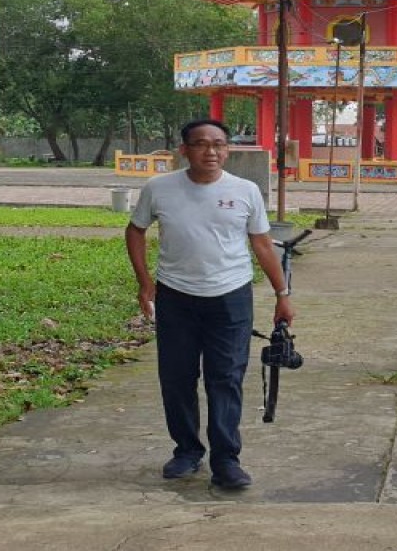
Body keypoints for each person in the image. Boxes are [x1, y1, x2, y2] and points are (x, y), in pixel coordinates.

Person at [125, 119, 295, 490]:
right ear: (183, 150)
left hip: (231, 298)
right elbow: (135, 230)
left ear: (227, 149)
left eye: (218, 144)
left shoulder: (246, 190)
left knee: (226, 378)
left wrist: (282, 295)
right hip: (176, 297)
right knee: (177, 378)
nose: (211, 151)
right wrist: (144, 283)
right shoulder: (159, 188)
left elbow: (262, 244)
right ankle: (186, 450)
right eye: (201, 144)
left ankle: (226, 460)